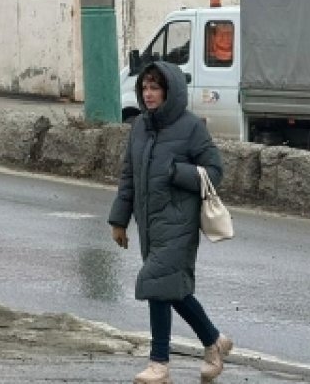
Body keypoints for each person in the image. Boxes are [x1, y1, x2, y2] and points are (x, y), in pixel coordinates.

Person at [108, 61, 232, 384]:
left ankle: (159, 364)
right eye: (145, 88)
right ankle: (214, 341)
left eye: (155, 88)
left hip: (179, 223)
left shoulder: (191, 127)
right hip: (150, 223)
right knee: (171, 289)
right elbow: (128, 176)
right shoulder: (139, 127)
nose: (148, 94)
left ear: (169, 91)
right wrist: (119, 219)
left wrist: (180, 172)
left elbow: (215, 171)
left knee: (156, 283)